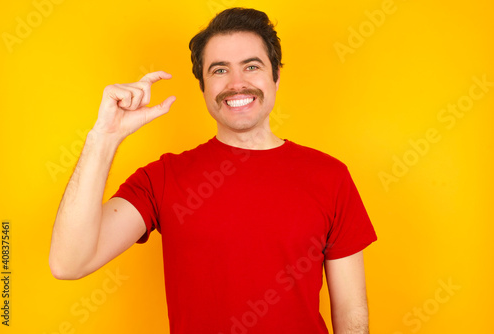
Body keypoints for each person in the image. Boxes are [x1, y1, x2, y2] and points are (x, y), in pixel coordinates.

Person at [49, 7, 377, 334]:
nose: (237, 83)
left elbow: (351, 312)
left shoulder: (329, 176)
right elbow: (69, 263)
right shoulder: (163, 178)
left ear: (276, 75)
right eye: (220, 70)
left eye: (252, 66)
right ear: (203, 86)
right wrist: (104, 138)